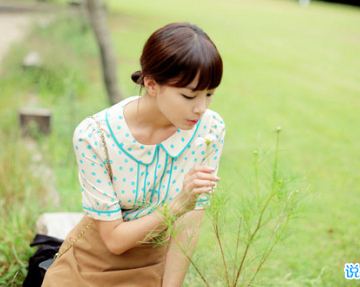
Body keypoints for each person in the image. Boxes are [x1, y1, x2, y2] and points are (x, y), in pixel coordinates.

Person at [42, 22, 226, 287]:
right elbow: (114, 242)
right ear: (151, 84)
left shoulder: (210, 129)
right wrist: (178, 204)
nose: (201, 108)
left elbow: (188, 226)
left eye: (209, 94)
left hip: (155, 261)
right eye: (189, 96)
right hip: (92, 261)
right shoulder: (95, 136)